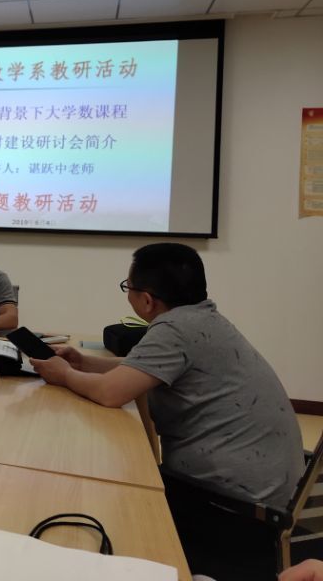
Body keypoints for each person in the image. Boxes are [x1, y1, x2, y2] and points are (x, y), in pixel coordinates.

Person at [30, 242, 303, 581]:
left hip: (236, 509)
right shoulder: (201, 318)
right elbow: (144, 368)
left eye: (128, 287)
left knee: (111, 493)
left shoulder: (174, 330)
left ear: (147, 300)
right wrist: (84, 363)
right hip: (272, 494)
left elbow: (111, 393)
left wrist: (64, 375)